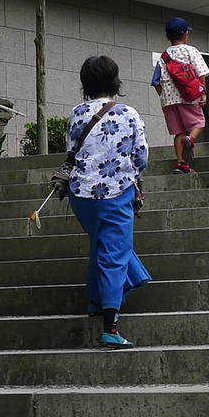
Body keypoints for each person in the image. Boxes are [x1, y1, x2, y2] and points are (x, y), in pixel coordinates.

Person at [67, 55, 150, 349]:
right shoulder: (128, 113)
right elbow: (141, 156)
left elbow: (71, 151)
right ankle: (110, 327)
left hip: (80, 195)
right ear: (115, 81)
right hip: (114, 193)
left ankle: (94, 299)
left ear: (85, 84)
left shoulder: (77, 113)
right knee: (114, 254)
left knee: (100, 244)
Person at [151, 16, 209, 174]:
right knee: (198, 123)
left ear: (167, 37)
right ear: (185, 35)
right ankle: (190, 140)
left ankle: (181, 164)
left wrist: (164, 97)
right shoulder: (191, 50)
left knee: (179, 132)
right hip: (188, 97)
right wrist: (202, 92)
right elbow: (201, 72)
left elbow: (156, 82)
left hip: (169, 101)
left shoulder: (163, 57)